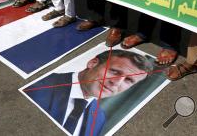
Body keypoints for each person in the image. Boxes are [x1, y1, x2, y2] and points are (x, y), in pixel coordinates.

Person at [24, 50, 153, 136]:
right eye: (114, 71)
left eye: (129, 80)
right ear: (92, 63)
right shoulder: (40, 85)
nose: (117, 82)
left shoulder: (99, 119)